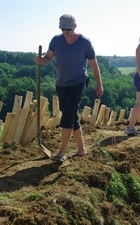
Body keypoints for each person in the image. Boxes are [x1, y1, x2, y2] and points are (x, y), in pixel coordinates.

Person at [35, 14, 104, 163]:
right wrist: (41, 60)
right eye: (62, 28)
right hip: (61, 83)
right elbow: (48, 58)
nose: (65, 31)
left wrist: (99, 83)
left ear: (75, 26)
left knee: (67, 116)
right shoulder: (56, 40)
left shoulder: (85, 42)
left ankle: (62, 152)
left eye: (68, 28)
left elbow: (93, 64)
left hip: (78, 83)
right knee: (71, 115)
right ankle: (81, 149)